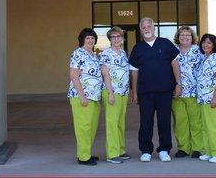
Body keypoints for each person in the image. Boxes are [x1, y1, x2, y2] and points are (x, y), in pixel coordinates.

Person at [129, 17, 182, 162]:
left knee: (164, 121)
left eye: (149, 26)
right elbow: (134, 71)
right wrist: (134, 91)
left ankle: (164, 149)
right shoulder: (138, 48)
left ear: (154, 28)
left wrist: (178, 83)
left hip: (165, 90)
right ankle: (146, 150)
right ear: (141, 30)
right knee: (146, 122)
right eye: (143, 27)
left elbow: (175, 64)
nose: (146, 29)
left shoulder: (165, 43)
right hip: (145, 92)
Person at [68, 28, 102, 166]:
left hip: (94, 97)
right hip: (81, 96)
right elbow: (74, 75)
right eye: (87, 38)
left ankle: (86, 152)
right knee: (84, 127)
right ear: (82, 40)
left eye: (92, 38)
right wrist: (82, 96)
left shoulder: (94, 55)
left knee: (92, 126)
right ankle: (83, 157)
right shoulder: (78, 53)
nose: (90, 40)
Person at [100, 26, 131, 164]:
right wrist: (110, 93)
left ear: (122, 38)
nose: (116, 39)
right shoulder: (106, 53)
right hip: (112, 92)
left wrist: (128, 90)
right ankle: (112, 154)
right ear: (110, 39)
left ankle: (120, 150)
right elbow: (105, 73)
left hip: (123, 93)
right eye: (113, 37)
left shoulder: (123, 53)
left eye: (118, 36)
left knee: (120, 122)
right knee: (112, 123)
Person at [172, 26, 203, 159]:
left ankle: (197, 148)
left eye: (188, 35)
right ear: (178, 37)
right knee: (180, 122)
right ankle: (183, 148)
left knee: (196, 122)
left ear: (192, 38)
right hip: (176, 93)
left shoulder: (199, 51)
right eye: (182, 35)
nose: (185, 37)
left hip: (194, 92)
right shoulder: (173, 51)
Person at [197, 33, 216, 164]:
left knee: (214, 127)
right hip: (203, 99)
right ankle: (209, 151)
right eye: (204, 42)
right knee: (205, 127)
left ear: (214, 45)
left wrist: (215, 97)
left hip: (213, 99)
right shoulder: (204, 57)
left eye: (209, 42)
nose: (206, 45)